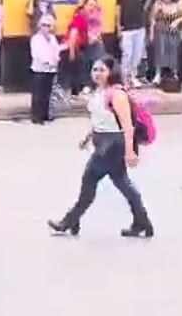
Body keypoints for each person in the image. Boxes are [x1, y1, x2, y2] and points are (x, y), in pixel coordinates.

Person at [49, 55, 153, 238]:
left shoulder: (117, 94)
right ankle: (142, 221)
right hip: (102, 141)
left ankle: (69, 221)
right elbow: (101, 118)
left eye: (102, 70)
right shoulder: (100, 91)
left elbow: (127, 125)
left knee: (89, 180)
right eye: (95, 69)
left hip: (113, 144)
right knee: (122, 183)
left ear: (111, 72)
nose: (97, 74)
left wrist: (130, 151)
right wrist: (89, 136)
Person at [65, 0, 104, 96]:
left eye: (93, 5)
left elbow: (99, 26)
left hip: (94, 41)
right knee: (86, 64)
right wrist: (72, 52)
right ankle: (85, 85)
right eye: (90, 5)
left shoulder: (96, 14)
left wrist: (96, 37)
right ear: (84, 5)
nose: (92, 8)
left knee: (98, 62)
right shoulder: (80, 16)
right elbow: (74, 33)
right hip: (83, 44)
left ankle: (96, 84)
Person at [149, 0, 182, 86]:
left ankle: (174, 74)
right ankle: (158, 75)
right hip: (160, 30)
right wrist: (151, 33)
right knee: (160, 52)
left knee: (173, 52)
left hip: (173, 31)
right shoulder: (158, 4)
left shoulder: (178, 4)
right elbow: (152, 19)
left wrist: (177, 21)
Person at [116, 0, 149, 88]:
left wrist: (144, 8)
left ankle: (132, 76)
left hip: (139, 27)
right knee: (127, 54)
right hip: (126, 28)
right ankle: (123, 78)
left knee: (137, 54)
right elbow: (118, 11)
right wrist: (118, 27)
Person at [30, 15, 61, 124]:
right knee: (38, 94)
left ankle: (45, 114)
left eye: (48, 26)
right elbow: (36, 54)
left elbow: (56, 50)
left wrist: (56, 59)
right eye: (43, 25)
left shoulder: (52, 38)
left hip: (51, 70)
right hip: (39, 69)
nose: (46, 28)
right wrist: (47, 61)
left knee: (48, 94)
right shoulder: (36, 38)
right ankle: (36, 117)